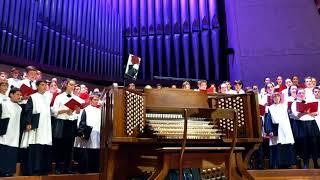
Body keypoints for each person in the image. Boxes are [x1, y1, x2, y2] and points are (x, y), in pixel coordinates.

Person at [20, 80, 52, 175]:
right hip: (35, 126)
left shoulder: (47, 98)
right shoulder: (33, 97)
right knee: (35, 145)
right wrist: (28, 122)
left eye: (45, 85)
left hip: (45, 126)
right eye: (42, 85)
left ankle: (43, 169)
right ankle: (33, 169)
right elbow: (28, 110)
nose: (44, 86)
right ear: (37, 86)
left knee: (44, 146)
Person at [51, 79, 84, 174]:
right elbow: (54, 111)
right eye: (71, 84)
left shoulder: (77, 98)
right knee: (60, 145)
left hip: (72, 123)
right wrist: (65, 110)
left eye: (74, 85)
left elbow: (78, 113)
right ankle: (59, 168)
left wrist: (77, 110)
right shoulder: (59, 97)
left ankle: (68, 167)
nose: (72, 87)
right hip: (62, 122)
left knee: (70, 146)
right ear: (66, 85)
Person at [264, 93, 295, 168]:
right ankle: (276, 164)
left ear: (280, 98)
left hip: (285, 129)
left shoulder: (284, 106)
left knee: (286, 145)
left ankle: (287, 164)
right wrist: (270, 130)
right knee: (276, 146)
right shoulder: (270, 108)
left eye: (278, 96)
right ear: (272, 98)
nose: (276, 98)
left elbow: (288, 118)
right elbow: (268, 120)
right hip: (276, 128)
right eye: (274, 97)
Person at [291, 89, 320, 168]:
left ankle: (315, 163)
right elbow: (297, 115)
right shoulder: (294, 103)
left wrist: (309, 113)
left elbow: (316, 113)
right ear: (296, 94)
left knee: (314, 143)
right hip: (301, 124)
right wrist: (306, 112)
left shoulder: (309, 101)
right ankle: (306, 164)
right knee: (304, 144)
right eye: (299, 93)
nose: (301, 94)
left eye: (303, 93)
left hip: (311, 123)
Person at [75, 93, 101, 173]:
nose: (96, 102)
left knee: (95, 152)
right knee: (86, 152)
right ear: (90, 100)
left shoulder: (100, 111)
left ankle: (94, 170)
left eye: (97, 100)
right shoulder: (86, 110)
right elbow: (82, 122)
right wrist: (82, 133)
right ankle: (84, 171)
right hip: (87, 134)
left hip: (97, 135)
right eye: (95, 100)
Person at [0, 88, 22, 177]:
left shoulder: (19, 108)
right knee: (3, 152)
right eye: (17, 94)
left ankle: (8, 171)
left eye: (20, 95)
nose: (19, 96)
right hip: (4, 133)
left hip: (15, 133)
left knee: (11, 153)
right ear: (11, 94)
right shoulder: (3, 104)